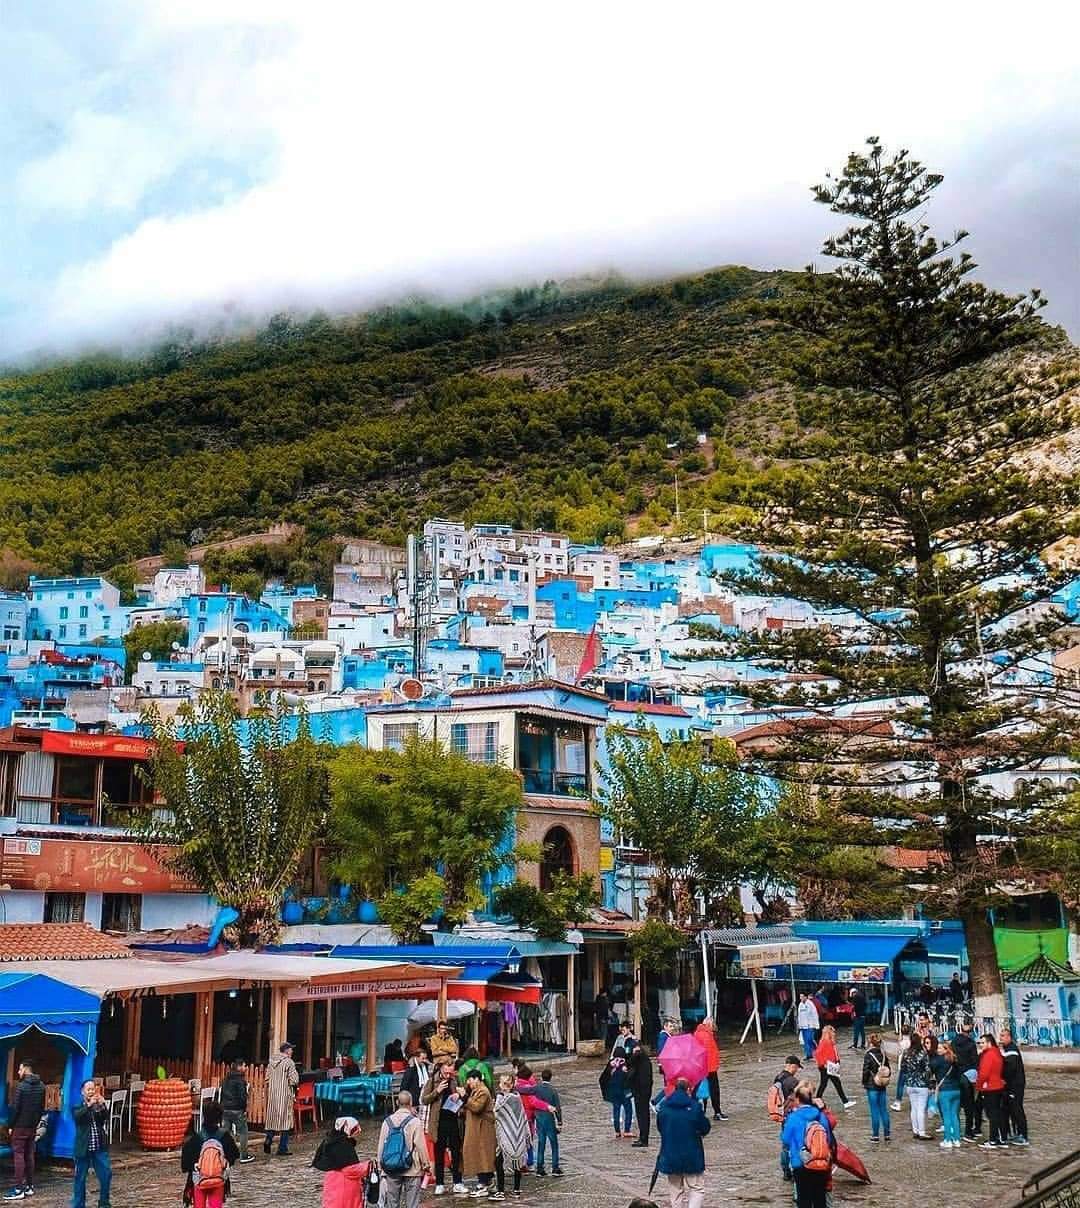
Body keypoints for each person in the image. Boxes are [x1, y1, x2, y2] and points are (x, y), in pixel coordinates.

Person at [656, 1077, 710, 1208]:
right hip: (691, 1155)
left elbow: (660, 1127)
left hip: (670, 1153)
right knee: (696, 1187)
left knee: (675, 1189)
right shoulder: (695, 1107)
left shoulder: (664, 1107)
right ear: (688, 1090)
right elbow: (705, 1128)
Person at [781, 1084, 834, 1208]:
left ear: (798, 1099)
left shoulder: (793, 1117)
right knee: (820, 1198)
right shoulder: (820, 1115)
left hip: (800, 1162)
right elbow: (829, 1137)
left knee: (803, 1198)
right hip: (820, 1161)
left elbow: (785, 1139)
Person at [421, 1056, 467, 1197]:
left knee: (456, 1152)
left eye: (450, 1072)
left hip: (454, 1120)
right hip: (438, 1122)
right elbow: (424, 1099)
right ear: (441, 1068)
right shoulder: (432, 1081)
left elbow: (464, 1096)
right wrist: (437, 1091)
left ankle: (458, 1182)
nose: (448, 1075)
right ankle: (440, 1184)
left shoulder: (455, 1079)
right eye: (446, 1072)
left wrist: (459, 1095)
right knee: (439, 1153)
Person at [181, 1100, 240, 1208]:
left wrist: (194, 1166)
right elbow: (234, 1154)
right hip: (218, 1179)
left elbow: (185, 1164)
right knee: (215, 1205)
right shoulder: (225, 1137)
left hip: (199, 1179)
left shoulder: (196, 1139)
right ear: (219, 1117)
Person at [377, 1090, 430, 1208]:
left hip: (391, 1167)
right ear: (411, 1103)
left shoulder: (387, 1122)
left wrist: (381, 1167)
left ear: (397, 1102)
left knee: (392, 1203)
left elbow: (381, 1146)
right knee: (412, 1203)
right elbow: (421, 1146)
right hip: (412, 1168)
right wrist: (426, 1165)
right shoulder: (415, 1122)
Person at [6, 1059, 44, 1200]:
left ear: (26, 1069)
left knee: (19, 1156)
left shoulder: (21, 1087)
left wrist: (11, 1125)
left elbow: (16, 1109)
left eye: (20, 1069)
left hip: (20, 1127)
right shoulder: (41, 1086)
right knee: (29, 1155)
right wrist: (35, 1123)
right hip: (32, 1127)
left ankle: (18, 1189)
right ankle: (29, 1187)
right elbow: (41, 1108)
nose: (18, 1072)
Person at [72, 1080, 112, 1208]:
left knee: (106, 1174)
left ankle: (104, 1203)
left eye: (93, 1089)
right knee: (80, 1178)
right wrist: (89, 1105)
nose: (91, 1092)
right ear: (82, 1092)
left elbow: (104, 1119)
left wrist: (103, 1106)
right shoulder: (78, 1106)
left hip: (98, 1147)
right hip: (83, 1148)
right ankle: (79, 1205)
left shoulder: (96, 1105)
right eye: (88, 1089)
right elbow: (78, 1117)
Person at [313, 1116, 366, 1208]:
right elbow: (350, 1169)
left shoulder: (333, 1143)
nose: (358, 1131)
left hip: (336, 1191)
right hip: (343, 1192)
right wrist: (368, 1166)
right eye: (355, 1129)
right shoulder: (342, 1146)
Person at [492, 1075, 530, 1201]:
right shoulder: (513, 1096)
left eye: (506, 1083)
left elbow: (497, 1112)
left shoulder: (511, 1098)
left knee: (504, 1162)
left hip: (511, 1135)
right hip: (507, 1134)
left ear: (511, 1084)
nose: (504, 1086)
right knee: (508, 1162)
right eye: (502, 1083)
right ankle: (514, 1189)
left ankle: (503, 1191)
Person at [769, 1055, 803, 1182]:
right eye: (797, 1068)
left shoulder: (778, 1077)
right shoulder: (793, 1081)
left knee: (785, 1146)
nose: (797, 1070)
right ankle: (795, 1172)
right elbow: (802, 1098)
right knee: (795, 1145)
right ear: (793, 1066)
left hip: (783, 1115)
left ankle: (785, 1171)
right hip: (793, 1116)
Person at [462, 1070, 496, 1197]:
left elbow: (476, 1107)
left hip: (483, 1128)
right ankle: (489, 1181)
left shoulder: (483, 1091)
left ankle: (483, 1183)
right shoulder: (475, 1091)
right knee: (479, 1154)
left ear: (476, 1079)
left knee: (482, 1155)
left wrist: (465, 1097)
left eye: (470, 1080)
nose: (468, 1083)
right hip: (476, 1128)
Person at [263, 1041, 300, 1155]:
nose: (292, 1051)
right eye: (291, 1049)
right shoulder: (289, 1062)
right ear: (287, 1050)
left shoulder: (271, 1062)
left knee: (273, 1119)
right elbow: (294, 1080)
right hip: (284, 1094)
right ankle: (282, 1148)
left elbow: (267, 1078)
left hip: (273, 1094)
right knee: (285, 1121)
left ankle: (268, 1139)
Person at [219, 1060, 254, 1164]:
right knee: (243, 1132)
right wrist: (244, 1109)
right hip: (237, 1109)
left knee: (226, 1133)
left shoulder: (226, 1079)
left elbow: (222, 1093)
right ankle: (244, 1156)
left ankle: (226, 1155)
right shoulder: (240, 1080)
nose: (246, 1068)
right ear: (239, 1067)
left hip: (225, 1109)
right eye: (244, 1065)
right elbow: (242, 1097)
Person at [692, 1017, 728, 1120]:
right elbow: (709, 1053)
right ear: (709, 1024)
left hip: (701, 1067)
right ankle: (717, 1112)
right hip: (709, 1067)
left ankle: (697, 1111)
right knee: (714, 1090)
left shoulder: (698, 1033)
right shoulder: (706, 1035)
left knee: (699, 1090)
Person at [977, 1033, 1008, 1150]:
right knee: (997, 1114)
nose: (981, 1045)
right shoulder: (997, 1053)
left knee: (992, 1115)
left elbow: (984, 1073)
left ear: (989, 1043)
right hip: (997, 1086)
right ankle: (1001, 1138)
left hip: (990, 1087)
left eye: (983, 1043)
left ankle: (993, 1139)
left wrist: (979, 1085)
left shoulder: (989, 1055)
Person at [932, 1040, 964, 1149]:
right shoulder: (955, 1060)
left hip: (945, 1091)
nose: (937, 1050)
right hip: (956, 1090)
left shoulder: (938, 1060)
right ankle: (957, 1139)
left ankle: (948, 1139)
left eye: (940, 1048)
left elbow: (931, 1071)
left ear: (946, 1049)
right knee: (954, 1115)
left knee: (946, 1116)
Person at [1000, 1027, 1029, 1147]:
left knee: (1017, 1110)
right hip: (1010, 1086)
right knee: (1011, 1110)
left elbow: (1010, 1069)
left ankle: (1023, 1135)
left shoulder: (1012, 1051)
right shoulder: (1006, 1049)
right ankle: (1017, 1133)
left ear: (1009, 1037)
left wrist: (1002, 1079)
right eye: (1001, 1035)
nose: (1001, 1038)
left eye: (1003, 1036)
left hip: (1015, 1086)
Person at [953, 1018, 981, 1141]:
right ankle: (968, 1131)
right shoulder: (971, 1044)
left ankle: (955, 1129)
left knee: (957, 1106)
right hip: (968, 1076)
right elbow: (975, 1061)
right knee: (969, 1106)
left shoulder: (954, 1041)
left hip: (957, 1075)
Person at [813, 1025, 854, 1109]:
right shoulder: (826, 1042)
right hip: (827, 1066)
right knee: (830, 1084)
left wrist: (837, 1061)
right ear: (829, 1032)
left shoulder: (828, 1041)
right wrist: (824, 1063)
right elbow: (817, 1054)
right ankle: (845, 1102)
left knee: (829, 1084)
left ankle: (845, 1101)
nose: (834, 1033)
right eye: (833, 1032)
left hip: (830, 1066)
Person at [531, 1069, 563, 1176]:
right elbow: (557, 1108)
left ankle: (540, 1168)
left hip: (539, 1119)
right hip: (549, 1119)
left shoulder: (537, 1088)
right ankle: (555, 1168)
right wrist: (559, 1122)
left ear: (542, 1077)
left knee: (541, 1144)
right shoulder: (553, 1090)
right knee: (554, 1144)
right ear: (550, 1077)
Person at [861, 1032, 891, 1143]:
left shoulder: (868, 1055)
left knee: (874, 1111)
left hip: (872, 1085)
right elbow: (888, 1069)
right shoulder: (883, 1054)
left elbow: (865, 1070)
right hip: (882, 1085)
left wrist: (864, 1082)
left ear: (870, 1042)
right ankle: (887, 1134)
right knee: (884, 1109)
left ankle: (875, 1135)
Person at [902, 1033, 933, 1139]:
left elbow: (903, 1068)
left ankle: (915, 1130)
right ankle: (922, 1132)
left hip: (910, 1083)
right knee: (921, 1109)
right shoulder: (923, 1053)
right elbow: (928, 1069)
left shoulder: (906, 1053)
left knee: (914, 1108)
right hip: (921, 1084)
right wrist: (928, 1081)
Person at [599, 1054, 634, 1138]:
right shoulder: (625, 1065)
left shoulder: (611, 1065)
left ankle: (617, 1131)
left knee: (616, 1111)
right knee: (628, 1111)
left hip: (614, 1092)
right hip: (624, 1093)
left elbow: (602, 1079)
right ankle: (627, 1130)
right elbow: (630, 1077)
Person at [627, 1045, 654, 1148]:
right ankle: (643, 1137)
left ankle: (643, 1139)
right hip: (644, 1091)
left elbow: (629, 1063)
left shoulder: (639, 1060)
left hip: (640, 1092)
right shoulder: (645, 1061)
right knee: (643, 1115)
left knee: (642, 1115)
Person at [890, 1025, 912, 1112]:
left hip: (903, 1065)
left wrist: (900, 1034)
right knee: (910, 1084)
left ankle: (898, 1102)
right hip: (911, 1065)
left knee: (900, 1084)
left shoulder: (901, 1043)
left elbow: (899, 1050)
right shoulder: (911, 1042)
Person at [796, 993, 820, 1060]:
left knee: (810, 1039)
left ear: (806, 997)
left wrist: (816, 1025)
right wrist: (799, 1025)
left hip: (810, 1025)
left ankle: (816, 1051)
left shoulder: (810, 1004)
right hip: (803, 1026)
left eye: (802, 996)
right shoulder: (800, 1005)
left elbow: (815, 1014)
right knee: (805, 1041)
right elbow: (799, 1016)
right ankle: (808, 1055)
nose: (801, 998)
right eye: (800, 997)